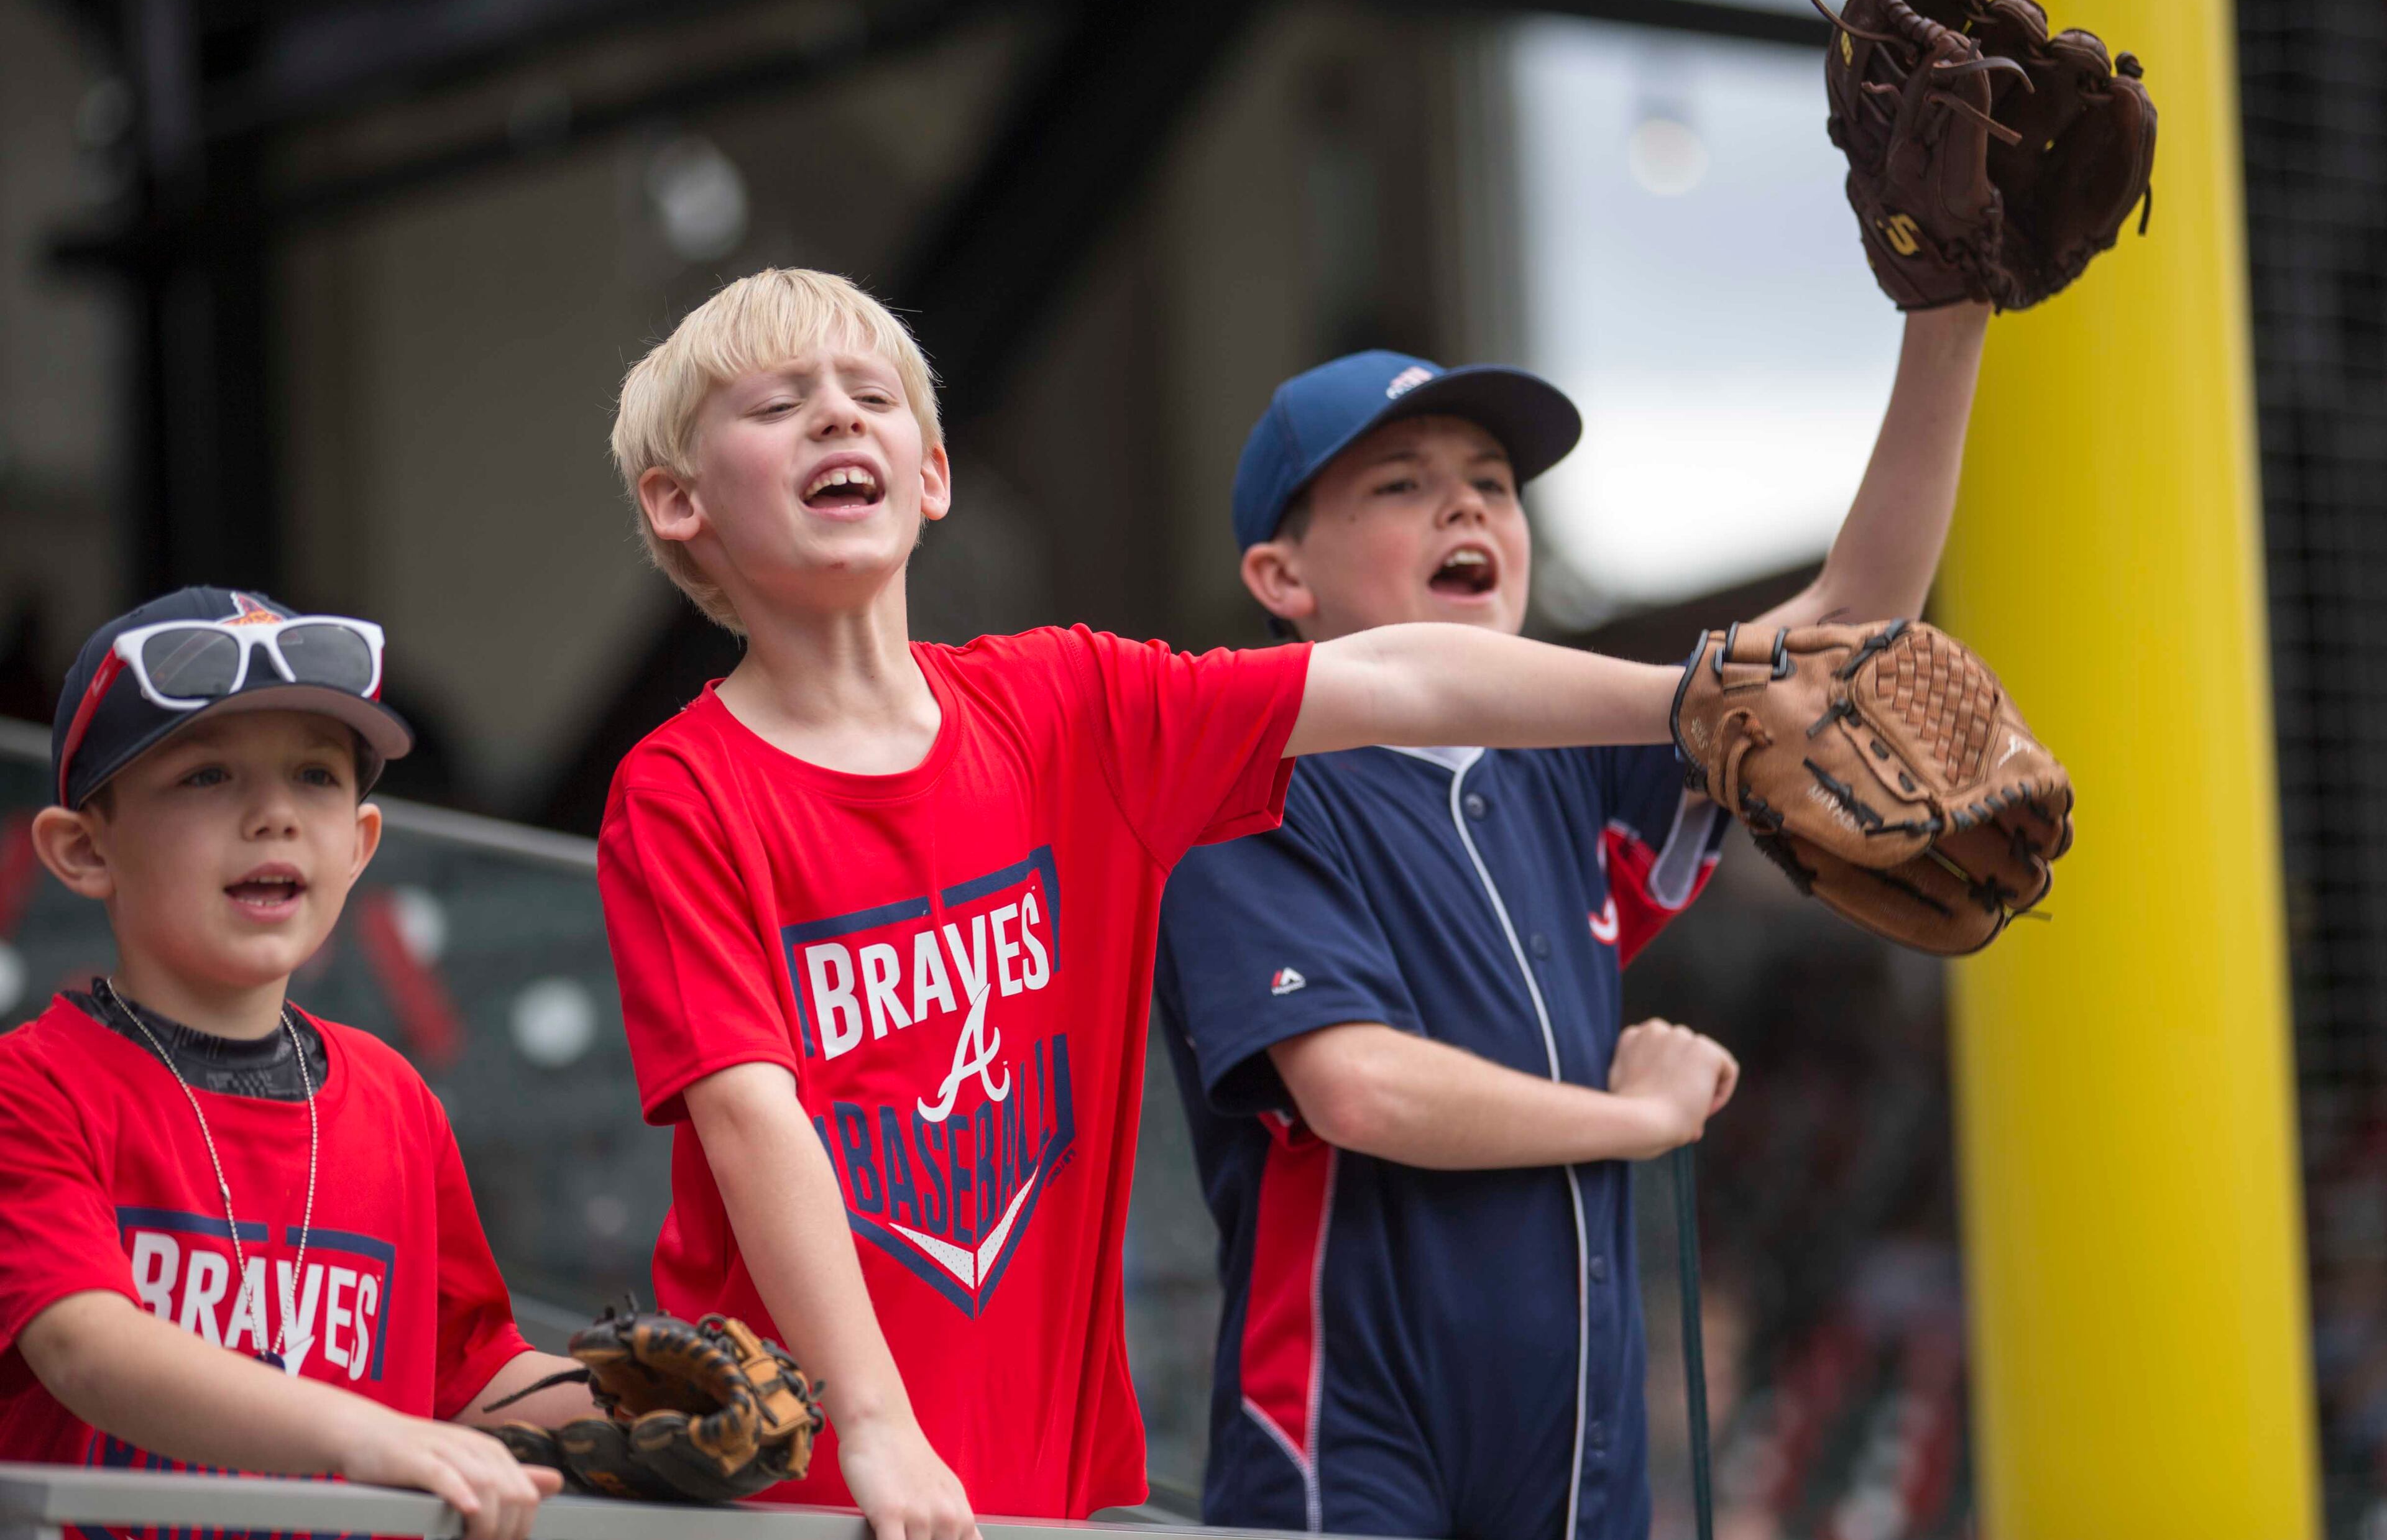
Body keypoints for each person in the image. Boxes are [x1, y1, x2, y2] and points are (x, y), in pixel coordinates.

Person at [592, 267, 1799, 1540]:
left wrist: (1699, 695)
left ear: (933, 473)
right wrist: (877, 1425)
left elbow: (1400, 683)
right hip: (807, 1483)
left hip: (1037, 1483)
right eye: (780, 404)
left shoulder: (1066, 707)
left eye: (872, 394)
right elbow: (751, 1118)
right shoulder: (680, 791)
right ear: (678, 502)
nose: (837, 417)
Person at [1151, 310, 1989, 1540]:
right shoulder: (1240, 780)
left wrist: (1950, 324)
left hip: (1583, 1433)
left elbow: (1836, 647)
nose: (1469, 509)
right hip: (1351, 1436)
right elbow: (1359, 1090)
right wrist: (1634, 1118)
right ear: (1283, 578)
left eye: (1493, 483)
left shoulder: (1569, 760)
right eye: (1403, 484)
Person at [0, 589, 594, 1540]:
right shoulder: (31, 1088)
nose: (274, 814)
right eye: (206, 777)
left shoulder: (398, 1100)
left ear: (360, 845)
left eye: (316, 777)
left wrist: (632, 1409)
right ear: (82, 850)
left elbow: (472, 1376)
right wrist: (362, 1435)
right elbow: (86, 1349)